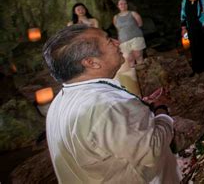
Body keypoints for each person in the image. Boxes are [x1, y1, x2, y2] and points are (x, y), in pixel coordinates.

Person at [43, 24, 181, 183]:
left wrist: (139, 109)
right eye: (109, 41)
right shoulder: (109, 106)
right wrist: (161, 110)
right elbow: (153, 150)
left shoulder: (59, 102)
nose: (117, 42)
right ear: (91, 62)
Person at [113, 0, 146, 67]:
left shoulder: (133, 13)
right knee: (129, 59)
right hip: (123, 40)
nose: (123, 5)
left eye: (125, 3)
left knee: (138, 56)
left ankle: (143, 73)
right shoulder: (115, 17)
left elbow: (140, 24)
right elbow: (118, 30)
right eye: (121, 4)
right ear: (118, 6)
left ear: (127, 5)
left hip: (136, 37)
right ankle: (133, 75)